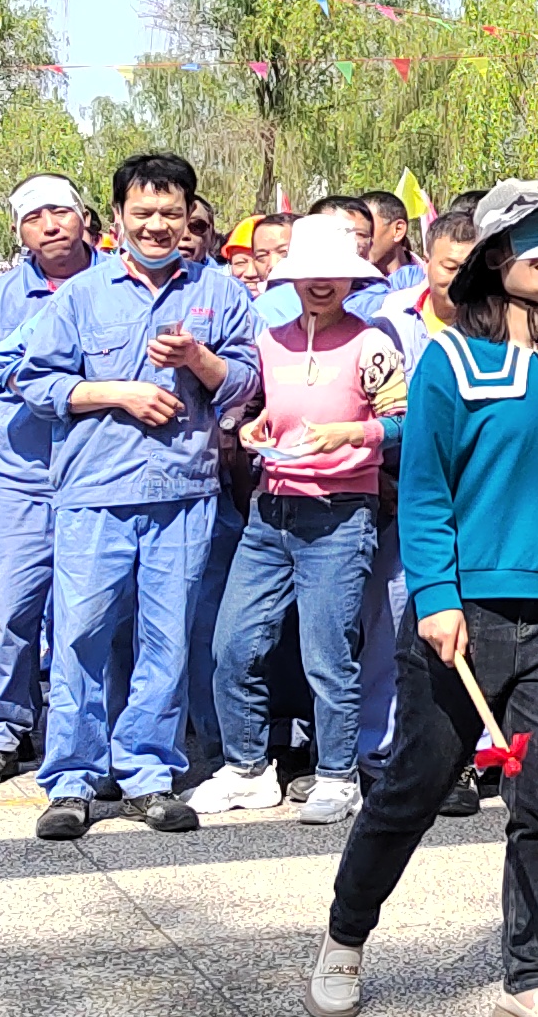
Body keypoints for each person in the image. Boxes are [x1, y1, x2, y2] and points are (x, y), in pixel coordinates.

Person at [303, 185, 538, 1017]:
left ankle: (529, 974)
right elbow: (424, 491)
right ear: (496, 259)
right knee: (412, 790)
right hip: (461, 618)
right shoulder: (449, 362)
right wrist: (436, 596)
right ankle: (344, 937)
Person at [0, 151, 260, 839]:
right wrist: (116, 393)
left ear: (190, 216)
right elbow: (35, 381)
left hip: (183, 494)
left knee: (166, 640)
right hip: (94, 494)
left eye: (171, 213)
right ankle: (72, 780)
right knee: (80, 636)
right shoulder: (82, 295)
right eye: (142, 212)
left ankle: (148, 774)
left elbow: (246, 381)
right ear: (115, 218)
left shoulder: (220, 292)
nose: (156, 225)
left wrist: (198, 360)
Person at [200, 215, 399, 825]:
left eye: (333, 274)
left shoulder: (371, 343)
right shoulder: (269, 342)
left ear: (351, 280)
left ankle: (338, 775)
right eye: (309, 273)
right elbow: (253, 410)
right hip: (270, 511)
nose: (320, 283)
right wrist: (248, 428)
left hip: (340, 516)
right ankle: (247, 769)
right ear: (291, 279)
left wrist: (352, 433)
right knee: (233, 645)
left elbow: (404, 420)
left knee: (328, 655)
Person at [0, 173, 96, 789]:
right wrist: (3, 455)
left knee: (90, 618)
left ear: (84, 216)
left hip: (97, 476)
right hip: (20, 478)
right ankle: (0, 731)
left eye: (60, 211)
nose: (50, 225)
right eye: (34, 217)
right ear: (18, 231)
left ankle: (88, 734)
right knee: (9, 608)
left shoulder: (115, 285)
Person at [362, 188, 423, 292]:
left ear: (398, 230)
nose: (358, 239)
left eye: (367, 228)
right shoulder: (346, 286)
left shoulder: (432, 281)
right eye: (356, 231)